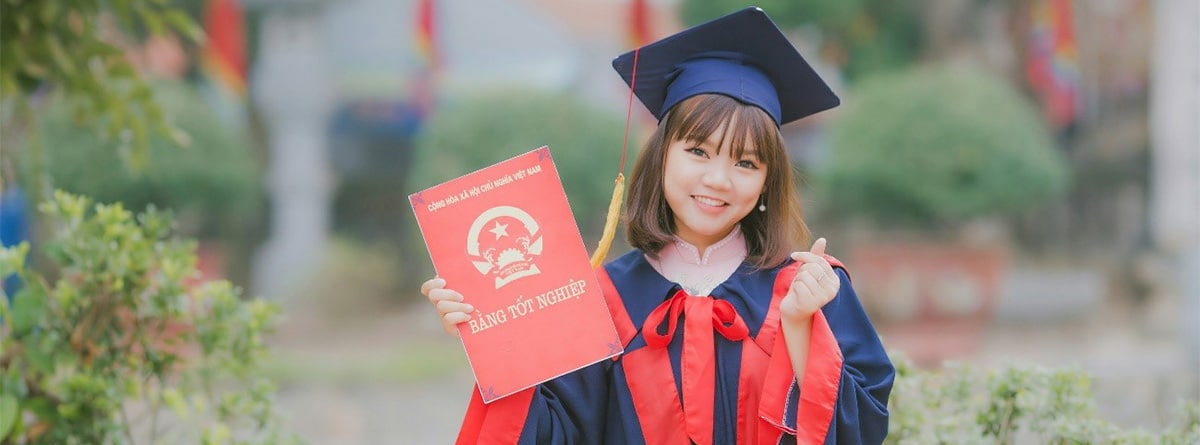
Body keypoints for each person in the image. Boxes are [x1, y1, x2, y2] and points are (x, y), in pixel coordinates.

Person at [422, 7, 894, 444]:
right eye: (697, 151)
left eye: (746, 163)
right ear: (661, 155)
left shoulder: (809, 289)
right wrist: (493, 333)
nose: (717, 180)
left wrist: (801, 329)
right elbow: (549, 432)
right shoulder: (602, 301)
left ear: (769, 180)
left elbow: (862, 428)